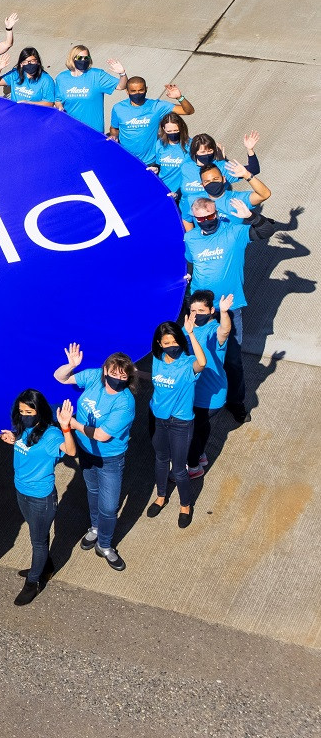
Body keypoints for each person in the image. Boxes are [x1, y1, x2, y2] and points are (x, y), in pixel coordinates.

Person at [54, 343, 137, 571]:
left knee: (109, 506)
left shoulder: (125, 403)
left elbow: (101, 435)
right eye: (112, 373)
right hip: (86, 452)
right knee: (92, 491)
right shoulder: (92, 378)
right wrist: (70, 366)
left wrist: (72, 424)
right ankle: (94, 527)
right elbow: (60, 378)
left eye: (122, 375)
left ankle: (106, 544)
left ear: (128, 377)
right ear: (104, 371)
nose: (115, 379)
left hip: (109, 458)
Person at [0, 391, 76, 605]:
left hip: (41, 497)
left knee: (38, 541)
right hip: (21, 491)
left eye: (29, 412)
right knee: (38, 535)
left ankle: (33, 582)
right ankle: (44, 566)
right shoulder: (24, 428)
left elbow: (70, 451)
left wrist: (66, 427)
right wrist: (14, 439)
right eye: (21, 412)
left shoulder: (52, 435)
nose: (25, 416)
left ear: (39, 411)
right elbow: (28, 445)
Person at [185, 195, 255, 424]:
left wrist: (252, 217)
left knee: (232, 360)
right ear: (194, 218)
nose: (206, 220)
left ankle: (235, 402)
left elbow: (263, 232)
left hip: (229, 309)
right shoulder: (190, 238)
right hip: (198, 310)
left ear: (217, 214)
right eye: (200, 218)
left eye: (210, 216)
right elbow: (188, 262)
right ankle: (195, 400)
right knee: (195, 357)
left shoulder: (233, 231)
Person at [146, 320, 208, 528]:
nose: (172, 346)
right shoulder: (157, 359)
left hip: (180, 423)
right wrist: (137, 374)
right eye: (167, 342)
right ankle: (161, 496)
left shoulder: (188, 362)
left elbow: (203, 362)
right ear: (159, 344)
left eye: (175, 341)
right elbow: (156, 379)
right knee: (161, 459)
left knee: (180, 469)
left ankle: (185, 506)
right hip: (158, 418)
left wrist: (190, 334)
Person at [185, 291, 236, 478]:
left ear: (211, 310)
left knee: (190, 434)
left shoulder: (214, 330)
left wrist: (224, 313)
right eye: (193, 310)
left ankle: (193, 468)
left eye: (201, 310)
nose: (197, 313)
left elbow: (225, 331)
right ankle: (200, 456)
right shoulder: (187, 328)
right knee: (201, 427)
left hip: (209, 395)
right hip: (192, 391)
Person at [109, 79, 194, 165]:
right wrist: (114, 136)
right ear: (127, 91)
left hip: (151, 162)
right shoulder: (118, 108)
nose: (137, 94)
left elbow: (188, 111)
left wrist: (179, 97)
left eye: (141, 90)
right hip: (125, 160)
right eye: (133, 91)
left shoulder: (157, 106)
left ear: (146, 89)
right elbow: (114, 128)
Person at [54, 47, 126, 132]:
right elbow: (58, 99)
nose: (83, 60)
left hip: (93, 131)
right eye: (79, 58)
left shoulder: (97, 75)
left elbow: (121, 86)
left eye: (86, 58)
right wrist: (59, 106)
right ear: (72, 58)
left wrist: (122, 73)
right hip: (70, 130)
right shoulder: (62, 78)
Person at [153, 114, 191, 196]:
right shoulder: (160, 144)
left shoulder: (189, 145)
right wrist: (155, 168)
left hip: (180, 191)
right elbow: (159, 164)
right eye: (169, 131)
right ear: (164, 129)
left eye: (175, 130)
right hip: (162, 188)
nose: (172, 134)